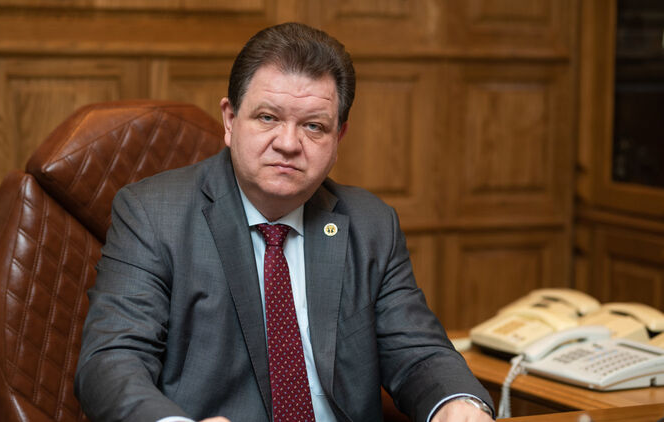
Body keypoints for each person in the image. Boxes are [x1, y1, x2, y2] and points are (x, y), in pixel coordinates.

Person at [75, 22, 494, 422]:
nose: (289, 143)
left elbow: (418, 352)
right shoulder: (153, 214)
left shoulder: (370, 225)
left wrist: (456, 403)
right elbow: (112, 360)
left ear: (338, 138)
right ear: (229, 120)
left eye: (313, 126)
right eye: (268, 117)